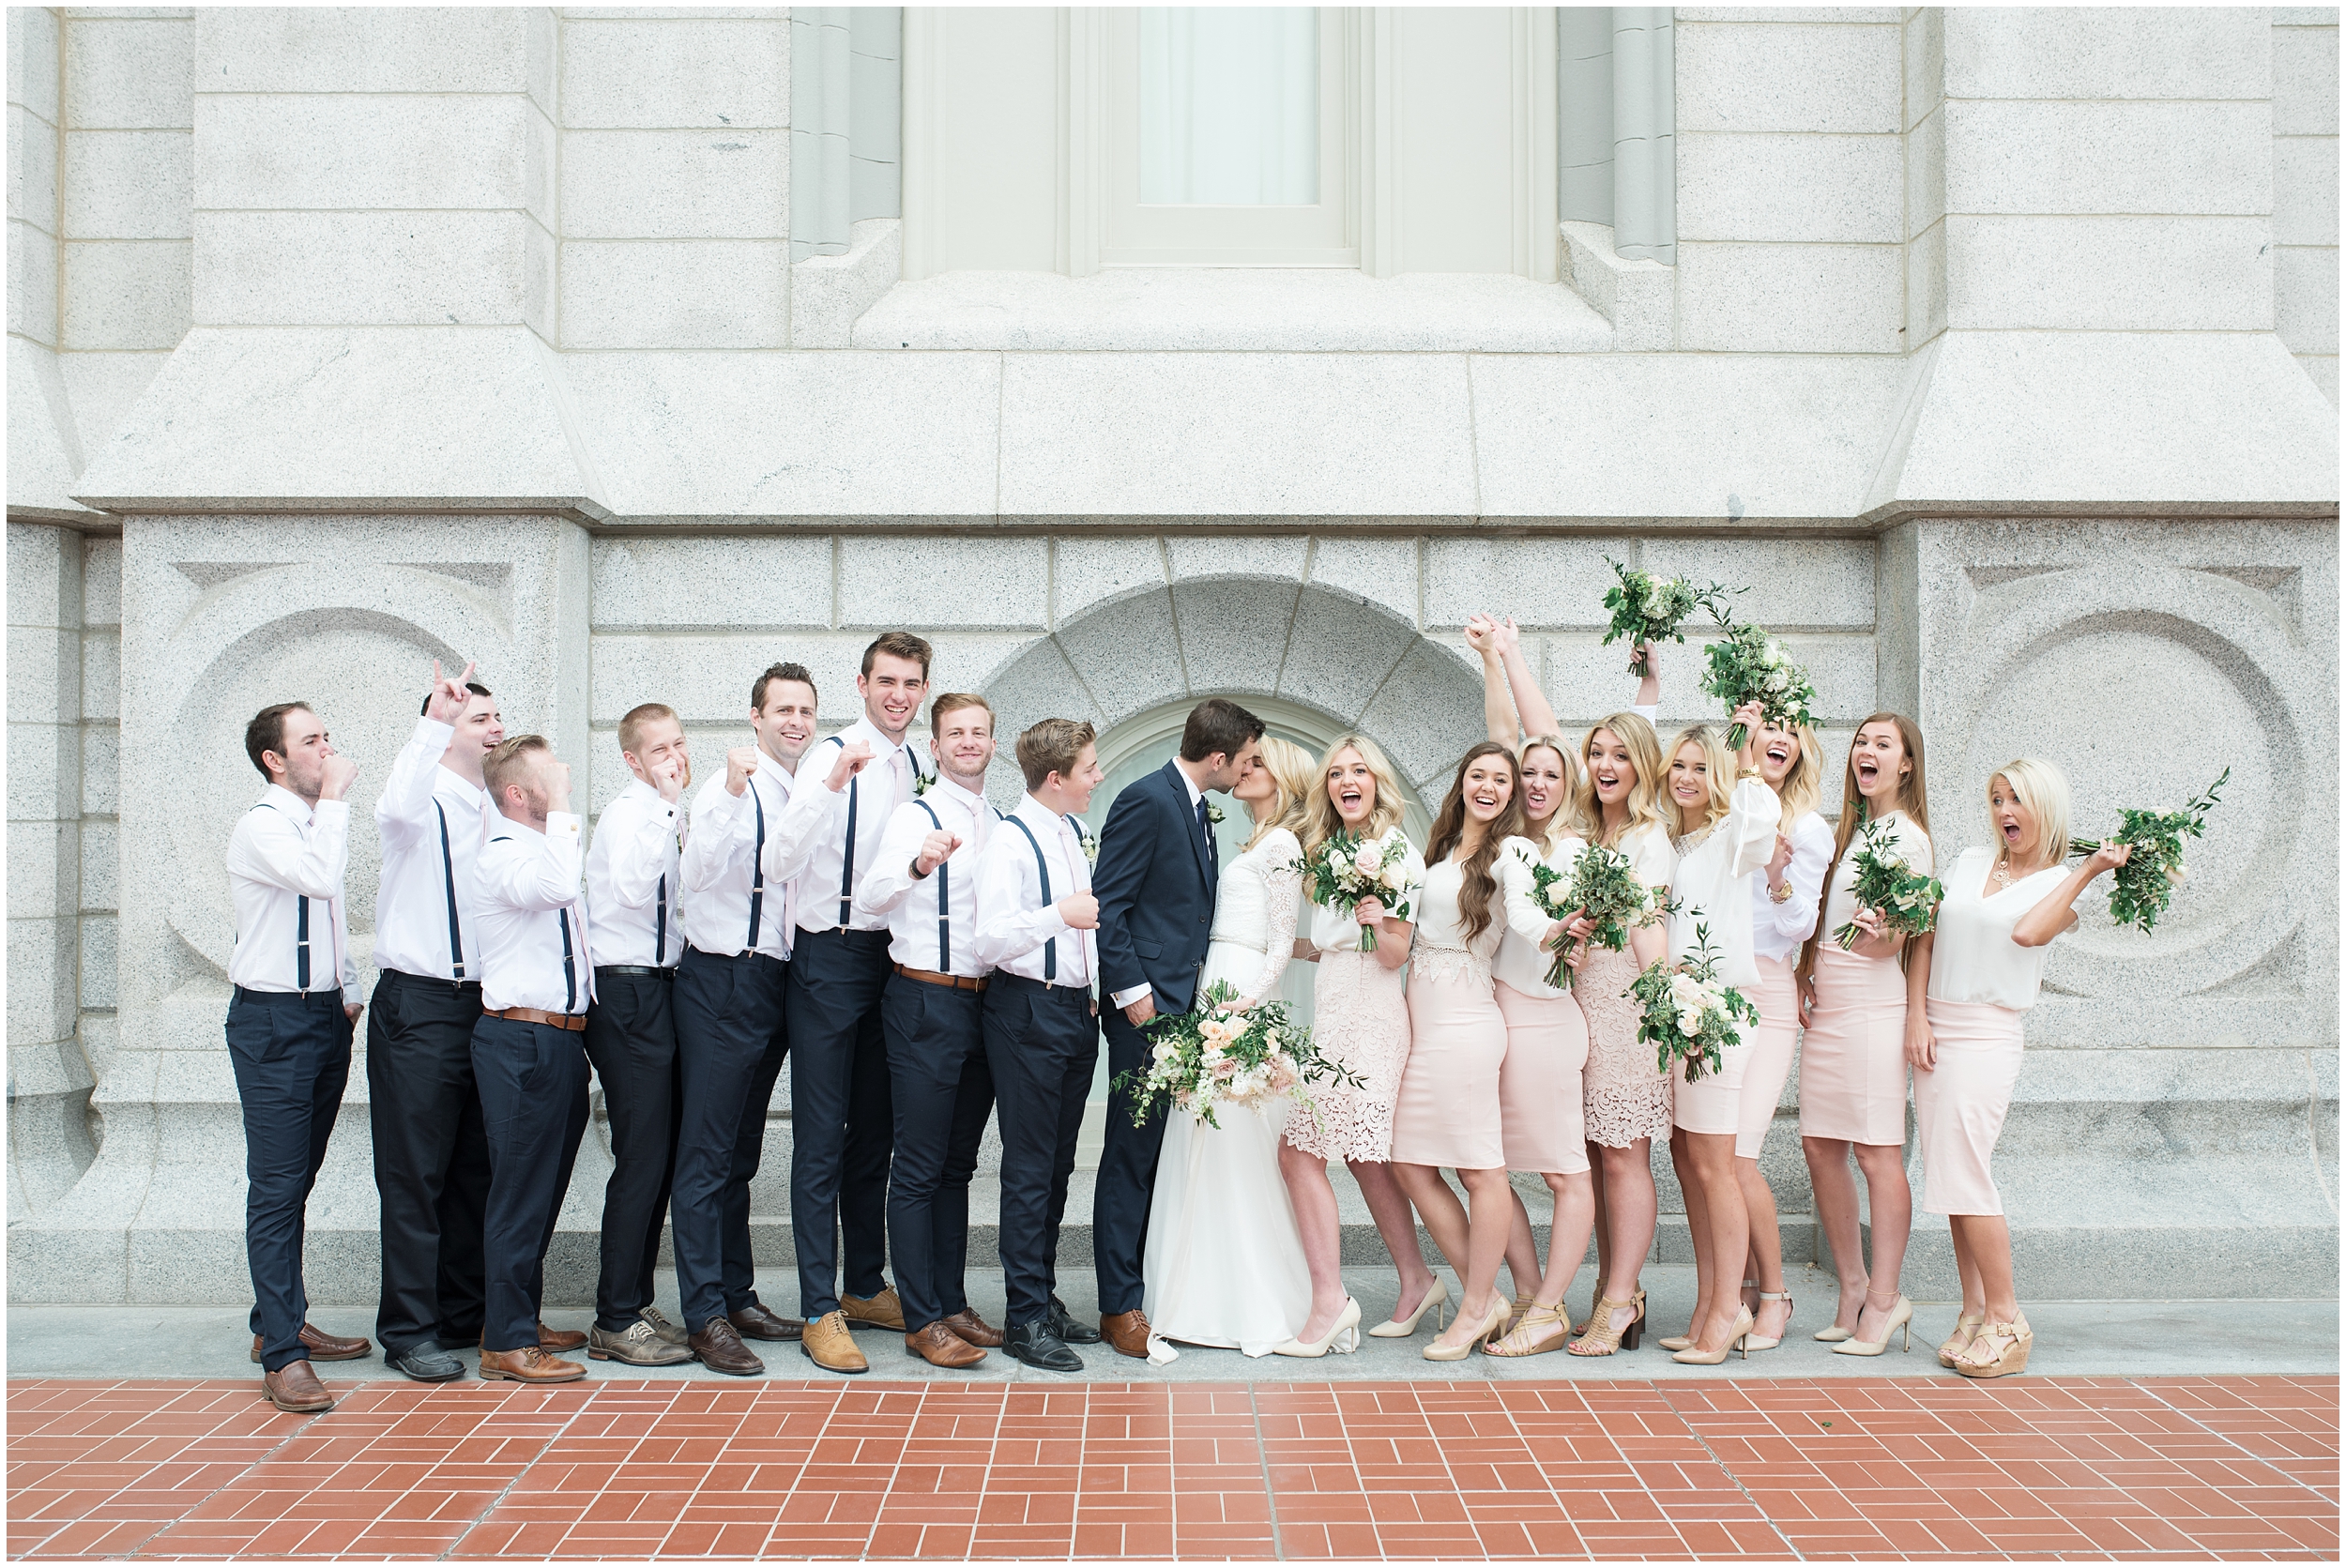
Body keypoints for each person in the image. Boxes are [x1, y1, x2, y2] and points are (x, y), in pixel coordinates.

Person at [1910, 760, 2127, 1378]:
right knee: (1951, 1177)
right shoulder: (1970, 861)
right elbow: (1926, 934)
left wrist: (2086, 870)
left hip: (1986, 1032)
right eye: (1998, 798)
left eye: (2019, 800)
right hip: (1937, 1025)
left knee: (1968, 1171)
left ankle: (2009, 1318)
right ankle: (1973, 1309)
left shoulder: (2060, 885)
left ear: (2047, 808)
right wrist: (1915, 1017)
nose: (2006, 810)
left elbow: (2030, 933)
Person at [768, 632, 937, 1370]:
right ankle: (817, 1305)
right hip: (831, 955)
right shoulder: (829, 755)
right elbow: (778, 858)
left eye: (912, 683)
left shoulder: (921, 761)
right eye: (887, 681)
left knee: (876, 1131)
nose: (899, 694)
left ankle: (865, 1282)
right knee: (821, 1135)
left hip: (893, 960)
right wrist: (833, 782)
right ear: (862, 683)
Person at [1089, 698, 1265, 1359]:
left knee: (1156, 1154)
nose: (1250, 768)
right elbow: (1109, 906)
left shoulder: (1195, 806)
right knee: (1131, 1155)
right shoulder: (1148, 799)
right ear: (1218, 758)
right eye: (1246, 757)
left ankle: (1143, 1288)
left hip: (1184, 1014)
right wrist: (1136, 1000)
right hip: (1148, 1014)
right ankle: (1118, 1306)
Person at [1142, 736, 1318, 1360]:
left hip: (1239, 996)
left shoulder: (1282, 844)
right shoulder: (1249, 839)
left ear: (1284, 780)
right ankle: (1193, 1298)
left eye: (1258, 763)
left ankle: (1251, 1300)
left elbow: (1279, 940)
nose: (1245, 770)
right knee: (1200, 1142)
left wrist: (1246, 1007)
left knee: (1235, 1147)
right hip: (1214, 989)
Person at [672, 662, 817, 1377]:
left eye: (805, 710)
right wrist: (731, 789)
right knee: (705, 1154)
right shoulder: (726, 785)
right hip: (723, 976)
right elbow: (695, 872)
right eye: (782, 709)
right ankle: (703, 1313)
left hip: (775, 981)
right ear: (755, 716)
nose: (795, 720)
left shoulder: (802, 788)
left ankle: (737, 1295)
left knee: (742, 1153)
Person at [225, 702, 370, 1412]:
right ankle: (282, 1354)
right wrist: (338, 797)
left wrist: (346, 988)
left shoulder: (313, 824)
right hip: (273, 1021)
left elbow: (327, 911)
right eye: (311, 740)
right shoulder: (263, 825)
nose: (327, 749)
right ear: (273, 759)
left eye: (326, 735)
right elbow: (316, 878)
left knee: (298, 1178)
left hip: (321, 1015)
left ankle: (274, 1320)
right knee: (277, 1186)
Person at [853, 693, 1005, 1369]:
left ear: (991, 744)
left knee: (957, 1164)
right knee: (916, 1165)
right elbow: (869, 897)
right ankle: (920, 1316)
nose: (968, 741)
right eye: (955, 733)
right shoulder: (915, 814)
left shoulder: (1000, 821)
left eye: (979, 732)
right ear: (936, 747)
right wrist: (918, 862)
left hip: (986, 1004)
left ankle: (949, 1298)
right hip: (924, 999)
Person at [367, 661, 507, 1383]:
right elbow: (392, 804)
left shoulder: (495, 807)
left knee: (473, 1172)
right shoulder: (418, 802)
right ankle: (408, 1331)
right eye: (481, 718)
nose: (496, 727)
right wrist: (434, 716)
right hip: (420, 1006)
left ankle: (464, 1311)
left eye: (495, 718)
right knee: (414, 1174)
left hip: (483, 1008)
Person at [1465, 610, 1600, 1348]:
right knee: (1492, 1166)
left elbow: (1542, 735)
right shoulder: (1508, 837)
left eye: (1553, 773)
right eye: (1530, 773)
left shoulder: (1575, 847)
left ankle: (1550, 1307)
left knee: (1561, 1170)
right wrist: (1495, 658)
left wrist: (1514, 656)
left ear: (1569, 783)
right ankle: (1525, 1290)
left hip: (1548, 1023)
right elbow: (1509, 733)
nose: (1539, 780)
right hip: (1498, 1020)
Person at [1279, 735, 1434, 1352]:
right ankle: (1417, 1278)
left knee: (1298, 1153)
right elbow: (1337, 940)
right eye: (1337, 772)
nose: (1348, 780)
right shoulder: (1334, 849)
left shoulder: (1398, 852)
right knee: (1368, 1159)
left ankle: (1330, 1304)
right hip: (1336, 1005)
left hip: (1370, 1013)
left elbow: (1393, 953)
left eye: (1359, 771)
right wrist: (1292, 948)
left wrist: (1376, 922)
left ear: (1377, 782)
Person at [1797, 712, 1934, 1356]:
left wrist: (1913, 1008)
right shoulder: (1856, 833)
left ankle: (1885, 1297)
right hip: (1831, 1003)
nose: (1866, 751)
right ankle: (1852, 1285)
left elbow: (1908, 936)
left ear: (1906, 764)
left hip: (1873, 1004)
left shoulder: (1907, 838)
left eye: (1882, 744)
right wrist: (1805, 971)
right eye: (1860, 742)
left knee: (1878, 1152)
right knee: (1821, 1146)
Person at [972, 719, 1106, 1373]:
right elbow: (988, 939)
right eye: (1089, 767)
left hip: (1073, 1012)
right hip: (1026, 1009)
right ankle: (1023, 1317)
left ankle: (1044, 1298)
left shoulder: (1073, 831)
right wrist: (1061, 915)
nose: (1097, 775)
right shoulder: (1009, 840)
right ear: (1056, 778)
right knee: (1028, 1170)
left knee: (1056, 1166)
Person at [1392, 742, 1529, 1361]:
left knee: (1480, 1168)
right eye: (1479, 773)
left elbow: (1529, 914)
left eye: (1502, 778)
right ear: (1462, 781)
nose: (1489, 785)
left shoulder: (1511, 854)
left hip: (1468, 1026)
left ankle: (1477, 1306)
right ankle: (1488, 1295)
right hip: (1425, 1027)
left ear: (1513, 792)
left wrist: (1558, 929)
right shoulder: (1441, 848)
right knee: (1412, 1163)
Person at [468, 736, 595, 1385]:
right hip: (521, 1039)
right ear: (518, 793)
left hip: (561, 1039)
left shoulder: (540, 851)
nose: (566, 775)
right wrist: (567, 804)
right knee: (519, 1193)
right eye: (553, 772)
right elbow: (556, 887)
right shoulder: (503, 854)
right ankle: (507, 1340)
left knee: (541, 1191)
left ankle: (521, 1314)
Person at [1654, 710, 1777, 1365]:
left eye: (1702, 767)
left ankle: (1731, 1309)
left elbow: (1761, 821)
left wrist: (1748, 748)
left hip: (1719, 1016)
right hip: (1679, 1016)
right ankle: (1708, 1302)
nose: (1687, 776)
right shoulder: (1679, 844)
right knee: (1688, 1161)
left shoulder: (1733, 835)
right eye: (1679, 764)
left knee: (1716, 1165)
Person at [579, 702, 693, 1367]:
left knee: (659, 1154)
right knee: (642, 1154)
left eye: (678, 745)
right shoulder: (632, 813)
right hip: (624, 989)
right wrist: (669, 809)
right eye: (659, 751)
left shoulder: (658, 813)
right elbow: (625, 890)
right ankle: (614, 1316)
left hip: (658, 985)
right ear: (631, 759)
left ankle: (635, 1299)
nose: (674, 759)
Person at [1564, 699, 1673, 1357]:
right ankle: (1612, 1287)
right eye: (1598, 752)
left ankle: (1621, 1297)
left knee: (1625, 1152)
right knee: (1596, 1152)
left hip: (1627, 1003)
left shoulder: (1647, 838)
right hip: (1581, 1001)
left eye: (1621, 754)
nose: (1606, 765)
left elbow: (1648, 925)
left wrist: (1659, 1003)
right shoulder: (1584, 831)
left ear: (1642, 765)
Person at [1736, 720, 1834, 1350]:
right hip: (1714, 992)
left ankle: (1774, 1293)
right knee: (1710, 1156)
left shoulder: (1807, 827)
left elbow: (1801, 925)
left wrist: (1776, 872)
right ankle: (1741, 1288)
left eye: (1790, 730)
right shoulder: (1731, 810)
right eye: (1765, 727)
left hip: (1768, 993)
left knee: (1737, 1154)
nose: (1778, 738)